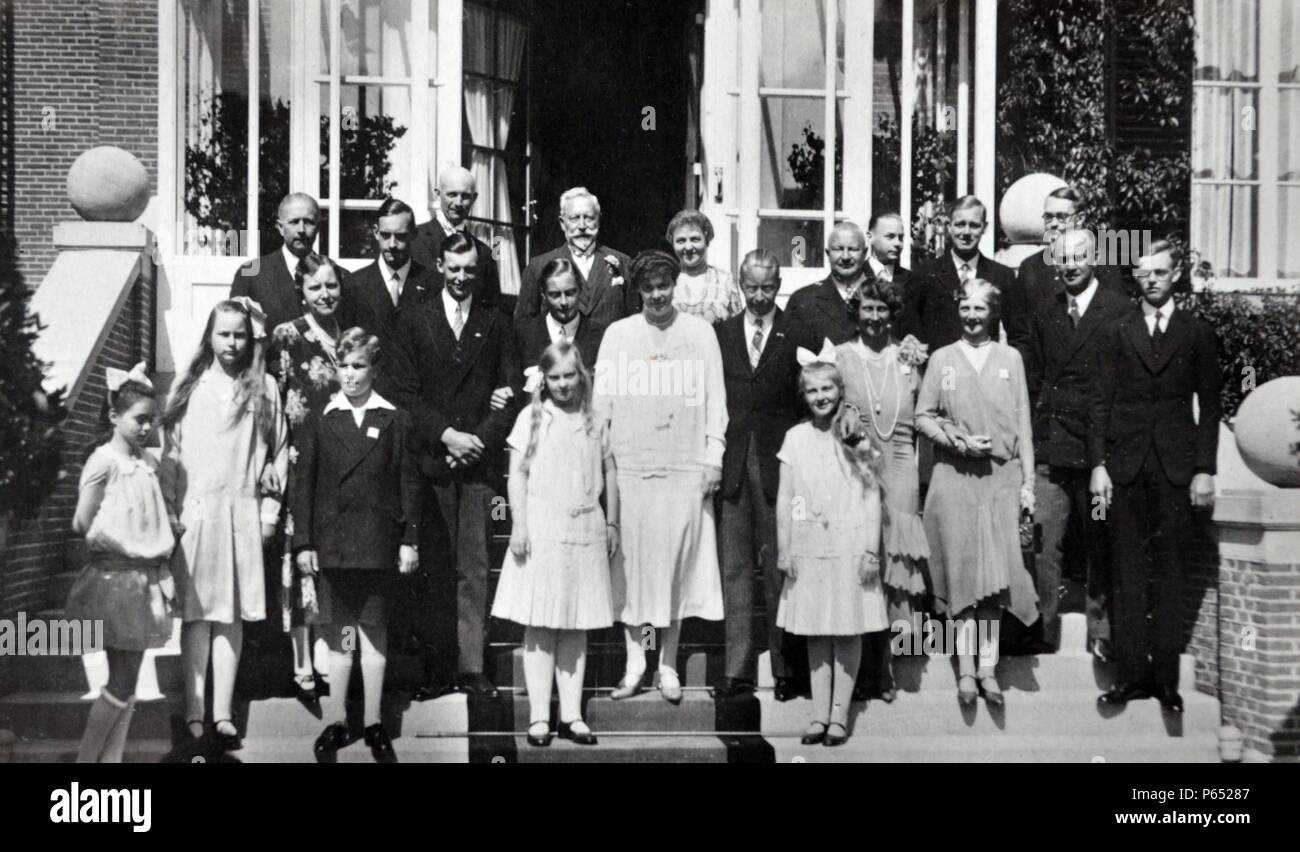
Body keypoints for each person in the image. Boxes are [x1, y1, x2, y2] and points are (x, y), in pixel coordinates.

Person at [1090, 241, 1221, 714]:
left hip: (1175, 468)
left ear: (1175, 275)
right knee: (1125, 571)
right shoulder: (1117, 330)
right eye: (1144, 273)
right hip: (1124, 467)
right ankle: (1129, 679)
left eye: (1160, 273)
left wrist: (1204, 469)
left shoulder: (1197, 332)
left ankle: (1166, 681)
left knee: (1169, 571)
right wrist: (1098, 465)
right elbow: (1099, 401)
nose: (1151, 280)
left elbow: (1210, 405)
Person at [390, 231, 520, 699]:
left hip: (478, 466)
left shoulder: (497, 322)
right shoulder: (414, 320)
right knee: (438, 569)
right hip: (434, 461)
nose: (462, 277)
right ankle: (437, 668)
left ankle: (471, 667)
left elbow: (509, 395)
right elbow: (403, 392)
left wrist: (478, 441)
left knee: (475, 563)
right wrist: (446, 435)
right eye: (454, 268)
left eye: (470, 269)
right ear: (441, 267)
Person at [593, 250, 726, 703]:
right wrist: (598, 467)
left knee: (674, 568)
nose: (656, 295)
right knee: (633, 570)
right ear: (637, 292)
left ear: (675, 286)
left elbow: (716, 403)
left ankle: (667, 664)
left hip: (685, 468)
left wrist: (714, 457)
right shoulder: (618, 335)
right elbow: (602, 407)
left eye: (663, 286)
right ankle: (636, 664)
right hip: (630, 471)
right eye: (647, 288)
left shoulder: (701, 334)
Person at [161, 298, 289, 751]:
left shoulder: (265, 388)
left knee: (231, 614)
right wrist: (173, 514)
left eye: (240, 334)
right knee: (197, 615)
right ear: (209, 337)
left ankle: (222, 712)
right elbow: (171, 456)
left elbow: (278, 453)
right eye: (224, 334)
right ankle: (194, 711)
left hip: (242, 510)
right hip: (196, 512)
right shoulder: (189, 386)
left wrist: (269, 511)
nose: (232, 343)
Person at [292, 329, 421, 762]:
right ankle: (337, 720)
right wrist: (304, 543)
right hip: (335, 547)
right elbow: (303, 484)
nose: (350, 375)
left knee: (373, 635)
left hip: (378, 545)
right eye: (344, 366)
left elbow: (408, 482)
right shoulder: (321, 419)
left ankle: (372, 722)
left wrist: (409, 539)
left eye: (359, 366)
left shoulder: (394, 419)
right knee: (340, 636)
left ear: (374, 369)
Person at [491, 340, 619, 747]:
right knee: (542, 623)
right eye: (555, 377)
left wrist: (612, 521)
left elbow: (610, 472)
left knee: (576, 624)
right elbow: (517, 477)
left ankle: (572, 714)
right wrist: (520, 526)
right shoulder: (532, 418)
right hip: (543, 527)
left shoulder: (595, 419)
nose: (563, 385)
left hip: (585, 527)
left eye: (570, 376)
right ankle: (540, 717)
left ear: (582, 376)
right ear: (543, 380)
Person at [915, 279, 1037, 707]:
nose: (971, 316)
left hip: (1000, 480)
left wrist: (1028, 485)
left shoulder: (1011, 359)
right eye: (965, 307)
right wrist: (956, 442)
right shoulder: (942, 359)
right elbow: (922, 417)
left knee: (994, 582)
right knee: (962, 577)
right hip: (954, 479)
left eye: (979, 309)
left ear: (994, 312)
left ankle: (988, 669)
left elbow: (1023, 425)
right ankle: (965, 669)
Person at [1024, 228, 1135, 659]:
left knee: (1099, 536)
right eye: (1063, 258)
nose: (1070, 265)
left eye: (1079, 257)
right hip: (1053, 448)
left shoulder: (1119, 309)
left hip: (1097, 455)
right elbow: (1035, 376)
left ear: (1094, 259)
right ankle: (1043, 630)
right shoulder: (1046, 311)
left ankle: (1101, 630)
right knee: (1043, 541)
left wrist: (1105, 456)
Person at [776, 341, 888, 747]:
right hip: (809, 545)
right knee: (815, 632)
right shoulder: (795, 438)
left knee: (846, 630)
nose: (821, 397)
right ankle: (818, 714)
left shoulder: (856, 436)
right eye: (813, 391)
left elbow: (872, 494)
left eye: (828, 389)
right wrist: (785, 548)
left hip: (850, 544)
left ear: (840, 390)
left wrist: (871, 551)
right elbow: (788, 499)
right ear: (803, 396)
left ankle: (840, 713)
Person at [712, 249, 811, 701]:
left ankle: (786, 669)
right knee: (734, 570)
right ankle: (737, 671)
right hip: (732, 462)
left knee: (778, 567)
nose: (758, 296)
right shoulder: (721, 334)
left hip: (779, 463)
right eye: (750, 287)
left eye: (767, 287)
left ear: (779, 284)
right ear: (739, 283)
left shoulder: (800, 333)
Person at [66, 365, 176, 762]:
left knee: (128, 679)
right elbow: (81, 521)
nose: (147, 427)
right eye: (139, 419)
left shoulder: (147, 461)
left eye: (152, 420)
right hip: (115, 579)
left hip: (143, 579)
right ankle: (86, 760)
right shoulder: (104, 461)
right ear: (114, 417)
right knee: (124, 676)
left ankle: (108, 761)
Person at [835, 280, 930, 702]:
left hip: (902, 466)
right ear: (857, 311)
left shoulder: (908, 356)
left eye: (882, 310)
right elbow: (830, 410)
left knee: (895, 567)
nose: (874, 317)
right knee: (861, 561)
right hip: (857, 466)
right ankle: (860, 670)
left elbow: (925, 410)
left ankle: (888, 669)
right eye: (867, 308)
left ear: (893, 314)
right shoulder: (840, 355)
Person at [266, 253, 347, 704]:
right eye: (316, 287)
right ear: (302, 290)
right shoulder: (288, 336)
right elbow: (272, 403)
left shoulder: (348, 338)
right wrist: (271, 457)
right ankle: (301, 666)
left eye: (332, 286)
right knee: (299, 561)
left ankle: (324, 656)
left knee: (329, 562)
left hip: (340, 467)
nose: (325, 294)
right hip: (298, 461)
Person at [903, 196, 1028, 362]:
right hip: (940, 373)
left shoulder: (1002, 275)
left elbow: (1019, 336)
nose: (966, 233)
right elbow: (911, 331)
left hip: (985, 374)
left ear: (985, 228)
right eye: (960, 224)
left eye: (974, 225)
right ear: (949, 226)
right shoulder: (925, 274)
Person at [515, 187, 636, 327]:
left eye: (589, 218)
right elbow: (524, 325)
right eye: (574, 219)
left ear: (599, 219)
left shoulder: (623, 262)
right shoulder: (538, 266)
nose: (582, 226)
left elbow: (634, 321)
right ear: (562, 223)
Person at [231, 193, 345, 333]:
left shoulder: (338, 276)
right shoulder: (250, 273)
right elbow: (235, 332)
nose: (301, 230)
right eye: (294, 222)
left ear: (318, 227)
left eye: (309, 222)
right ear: (280, 227)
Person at [1016, 186, 1133, 322]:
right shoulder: (1030, 267)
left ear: (1080, 219)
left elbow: (1117, 316)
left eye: (1062, 217)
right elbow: (1020, 330)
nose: (1053, 224)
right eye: (1048, 217)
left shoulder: (1102, 261)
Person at [340, 198, 437, 358]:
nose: (392, 244)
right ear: (376, 232)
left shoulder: (433, 284)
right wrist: (351, 384)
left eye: (400, 236)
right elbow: (345, 355)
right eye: (385, 235)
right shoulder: (354, 285)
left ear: (414, 234)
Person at [410, 166, 501, 307]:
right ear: (437, 194)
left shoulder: (485, 254)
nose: (458, 203)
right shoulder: (413, 240)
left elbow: (492, 310)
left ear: (474, 198)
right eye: (452, 195)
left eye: (465, 196)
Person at [784, 222, 873, 345]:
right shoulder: (802, 300)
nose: (845, 257)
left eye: (853, 249)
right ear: (827, 253)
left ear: (865, 253)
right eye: (838, 249)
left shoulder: (884, 296)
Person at [513, 257, 607, 369]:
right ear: (543, 294)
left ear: (580, 290)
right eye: (555, 295)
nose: (564, 302)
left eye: (570, 293)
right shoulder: (524, 335)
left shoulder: (601, 336)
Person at [666, 209, 744, 323]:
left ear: (706, 239)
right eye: (681, 241)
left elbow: (737, 326)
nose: (688, 247)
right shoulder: (665, 280)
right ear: (672, 243)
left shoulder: (724, 279)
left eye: (695, 239)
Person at [865, 213, 913, 339]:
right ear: (870, 237)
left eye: (901, 237)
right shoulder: (857, 275)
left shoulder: (912, 280)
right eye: (890, 237)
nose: (898, 243)